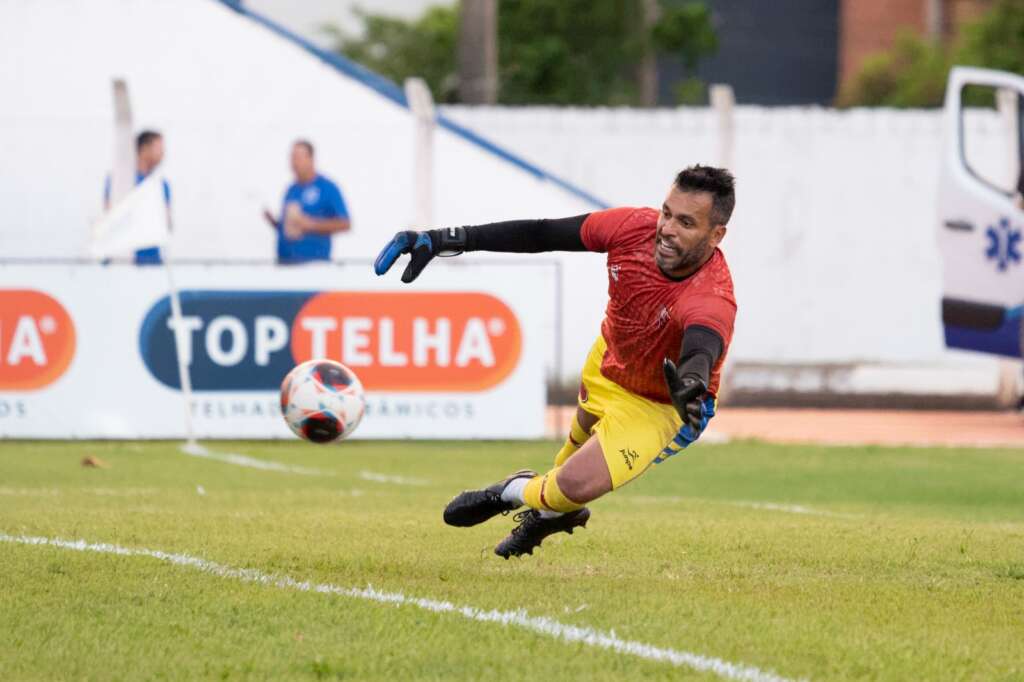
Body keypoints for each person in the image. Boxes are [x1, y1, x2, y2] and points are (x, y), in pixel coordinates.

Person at [375, 165, 737, 559]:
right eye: (667, 213)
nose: (666, 229)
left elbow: (702, 346)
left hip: (659, 405)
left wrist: (690, 384)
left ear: (715, 235)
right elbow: (542, 233)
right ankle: (553, 514)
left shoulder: (712, 296)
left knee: (573, 484)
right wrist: (447, 238)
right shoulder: (631, 227)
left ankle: (510, 491)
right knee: (565, 467)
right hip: (608, 362)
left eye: (686, 222)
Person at [263, 140, 351, 264]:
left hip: (313, 267)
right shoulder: (291, 190)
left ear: (311, 159)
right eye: (292, 157)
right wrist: (275, 223)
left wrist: (311, 224)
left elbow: (345, 224)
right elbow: (291, 228)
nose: (293, 162)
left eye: (298, 157)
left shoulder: (327, 188)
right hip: (285, 265)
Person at [103, 130, 171, 265]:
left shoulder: (161, 185)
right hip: (120, 259)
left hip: (151, 260)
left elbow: (167, 223)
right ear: (144, 148)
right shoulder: (120, 180)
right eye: (159, 148)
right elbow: (110, 216)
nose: (163, 153)